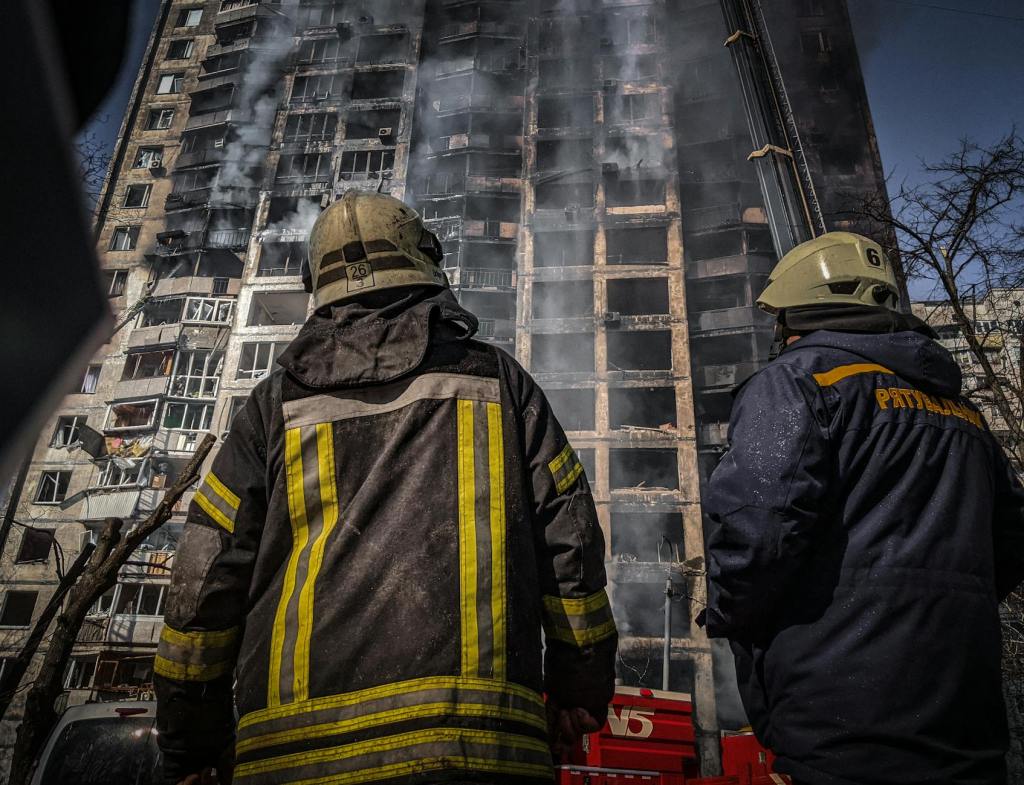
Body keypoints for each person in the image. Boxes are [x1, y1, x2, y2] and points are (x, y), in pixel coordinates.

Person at [154, 191, 617, 785]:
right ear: (424, 263)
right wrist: (580, 687)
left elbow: (203, 584)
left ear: (316, 285)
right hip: (476, 750)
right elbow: (571, 543)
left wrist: (190, 747)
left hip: (296, 760)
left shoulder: (270, 410)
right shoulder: (499, 384)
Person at [702, 231, 1024, 785]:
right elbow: (1010, 546)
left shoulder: (798, 383)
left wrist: (730, 614)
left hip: (841, 718)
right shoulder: (962, 413)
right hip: (966, 720)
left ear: (794, 315)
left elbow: (756, 534)